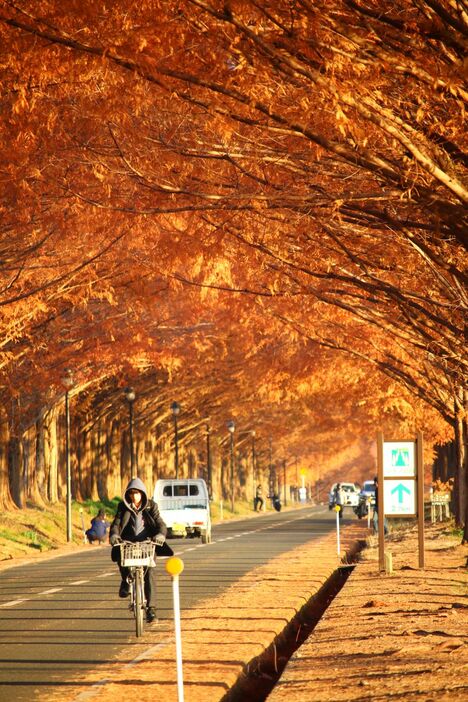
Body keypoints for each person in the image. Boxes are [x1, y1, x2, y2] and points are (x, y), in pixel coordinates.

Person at [109, 477, 173, 624]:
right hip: (128, 542)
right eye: (131, 493)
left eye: (136, 493)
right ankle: (125, 581)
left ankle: (151, 609)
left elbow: (160, 524)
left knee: (149, 572)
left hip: (147, 543)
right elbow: (116, 524)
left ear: (142, 493)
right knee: (121, 556)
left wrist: (160, 535)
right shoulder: (123, 506)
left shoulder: (151, 506)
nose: (134, 496)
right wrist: (114, 535)